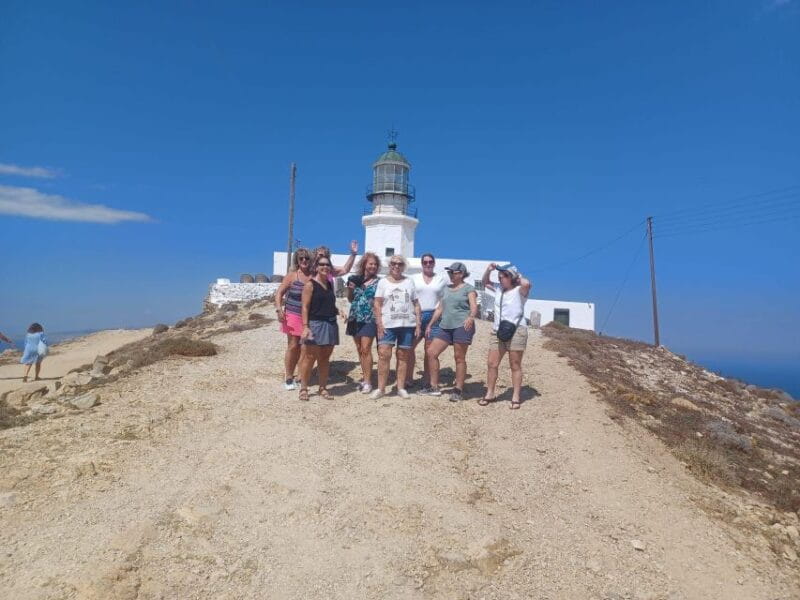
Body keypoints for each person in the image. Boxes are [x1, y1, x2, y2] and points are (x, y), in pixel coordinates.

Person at [424, 262, 478, 402]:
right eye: (449, 272)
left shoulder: (469, 289)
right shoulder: (446, 289)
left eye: (452, 272)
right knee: (431, 352)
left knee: (459, 357)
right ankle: (433, 387)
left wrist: (471, 318)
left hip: (462, 325)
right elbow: (440, 308)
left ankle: (458, 390)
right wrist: (430, 324)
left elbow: (473, 306)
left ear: (461, 273)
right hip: (445, 326)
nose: (450, 274)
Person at [481, 263, 532, 409]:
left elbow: (527, 283)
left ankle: (515, 396)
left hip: (517, 330)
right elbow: (485, 282)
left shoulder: (520, 290)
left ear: (512, 277)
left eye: (504, 276)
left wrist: (516, 275)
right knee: (492, 363)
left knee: (515, 365)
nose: (501, 278)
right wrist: (489, 270)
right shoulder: (498, 289)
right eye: (500, 276)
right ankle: (490, 393)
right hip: (498, 330)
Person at [371, 255, 421, 400]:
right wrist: (379, 323)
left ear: (403, 266)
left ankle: (400, 387)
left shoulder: (409, 282)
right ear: (389, 265)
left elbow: (416, 303)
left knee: (403, 356)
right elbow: (377, 304)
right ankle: (381, 388)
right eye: (393, 263)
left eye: (399, 264)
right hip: (388, 325)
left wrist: (418, 323)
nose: (396, 266)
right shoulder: (382, 282)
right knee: (384, 355)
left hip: (407, 324)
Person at [298, 256, 341, 401]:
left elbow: (327, 303)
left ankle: (322, 388)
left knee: (324, 358)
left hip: (330, 324)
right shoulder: (310, 285)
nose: (325, 267)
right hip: (315, 324)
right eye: (321, 264)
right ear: (316, 267)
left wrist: (338, 310)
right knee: (309, 357)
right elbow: (304, 307)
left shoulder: (329, 284)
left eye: (327, 265)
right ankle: (304, 388)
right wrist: (305, 327)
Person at [275, 247, 313, 390]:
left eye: (306, 258)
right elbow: (279, 293)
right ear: (297, 260)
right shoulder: (292, 276)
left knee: (305, 348)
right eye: (301, 258)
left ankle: (301, 375)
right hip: (292, 314)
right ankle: (289, 377)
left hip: (308, 317)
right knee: (293, 346)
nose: (304, 260)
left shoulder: (313, 276)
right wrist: (279, 309)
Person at [409, 253, 447, 391]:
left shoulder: (441, 279)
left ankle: (426, 380)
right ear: (421, 263)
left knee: (429, 349)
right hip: (417, 314)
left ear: (434, 263)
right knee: (409, 347)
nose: (428, 264)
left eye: (430, 262)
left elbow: (444, 300)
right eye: (425, 262)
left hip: (434, 315)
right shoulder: (414, 278)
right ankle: (408, 377)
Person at [346, 252, 382, 394]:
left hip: (369, 318)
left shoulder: (379, 282)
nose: (373, 266)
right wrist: (350, 289)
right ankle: (365, 376)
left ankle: (368, 382)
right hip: (355, 317)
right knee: (360, 349)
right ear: (364, 265)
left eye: (375, 264)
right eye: (370, 263)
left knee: (366, 348)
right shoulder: (356, 279)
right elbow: (350, 299)